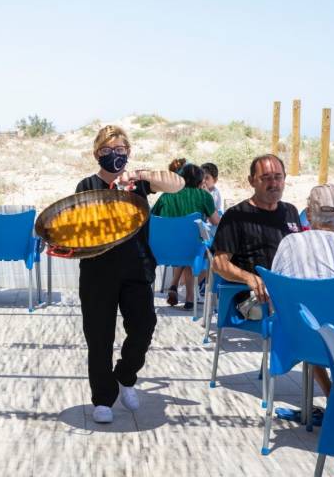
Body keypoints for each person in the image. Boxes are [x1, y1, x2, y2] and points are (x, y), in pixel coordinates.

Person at [76, 125, 184, 423]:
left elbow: (178, 183)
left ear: (129, 152)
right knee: (99, 337)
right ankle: (103, 399)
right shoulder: (86, 186)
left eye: (120, 150)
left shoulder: (138, 185)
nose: (114, 156)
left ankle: (125, 375)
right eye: (107, 151)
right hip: (98, 272)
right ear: (97, 153)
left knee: (144, 326)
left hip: (136, 269)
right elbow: (76, 226)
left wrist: (142, 176)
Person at [272, 183, 334, 397]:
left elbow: (275, 300)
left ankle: (332, 395)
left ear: (309, 214)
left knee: (307, 315)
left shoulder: (289, 244)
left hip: (300, 340)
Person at [212, 154, 301, 318]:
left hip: (289, 290)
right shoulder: (237, 215)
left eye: (278, 177)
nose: (273, 184)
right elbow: (218, 264)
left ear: (284, 179)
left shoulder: (291, 211)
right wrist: (248, 278)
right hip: (254, 296)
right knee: (296, 313)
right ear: (251, 181)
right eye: (265, 178)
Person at [151, 163, 221, 310]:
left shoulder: (165, 196)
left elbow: (152, 217)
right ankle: (190, 298)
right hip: (191, 250)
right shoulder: (203, 196)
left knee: (188, 243)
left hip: (162, 250)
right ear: (200, 181)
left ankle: (177, 287)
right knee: (196, 246)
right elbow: (216, 221)